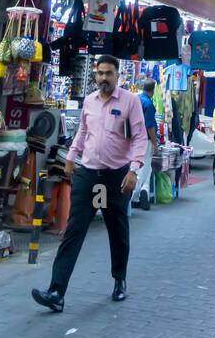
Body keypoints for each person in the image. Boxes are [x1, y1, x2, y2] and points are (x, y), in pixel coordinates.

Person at [32, 56, 147, 312]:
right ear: (95, 76)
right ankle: (56, 291)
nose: (103, 78)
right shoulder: (90, 102)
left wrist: (134, 169)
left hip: (116, 178)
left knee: (117, 231)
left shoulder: (130, 101)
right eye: (99, 73)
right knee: (75, 231)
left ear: (118, 76)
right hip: (90, 175)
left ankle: (119, 280)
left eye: (108, 73)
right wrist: (71, 158)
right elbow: (83, 132)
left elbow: (140, 138)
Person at [135, 77, 159, 205]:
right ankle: (133, 196)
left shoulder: (137, 99)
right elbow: (150, 126)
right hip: (146, 140)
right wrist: (155, 144)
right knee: (143, 169)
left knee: (144, 168)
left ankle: (143, 191)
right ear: (153, 89)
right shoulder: (148, 104)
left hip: (136, 139)